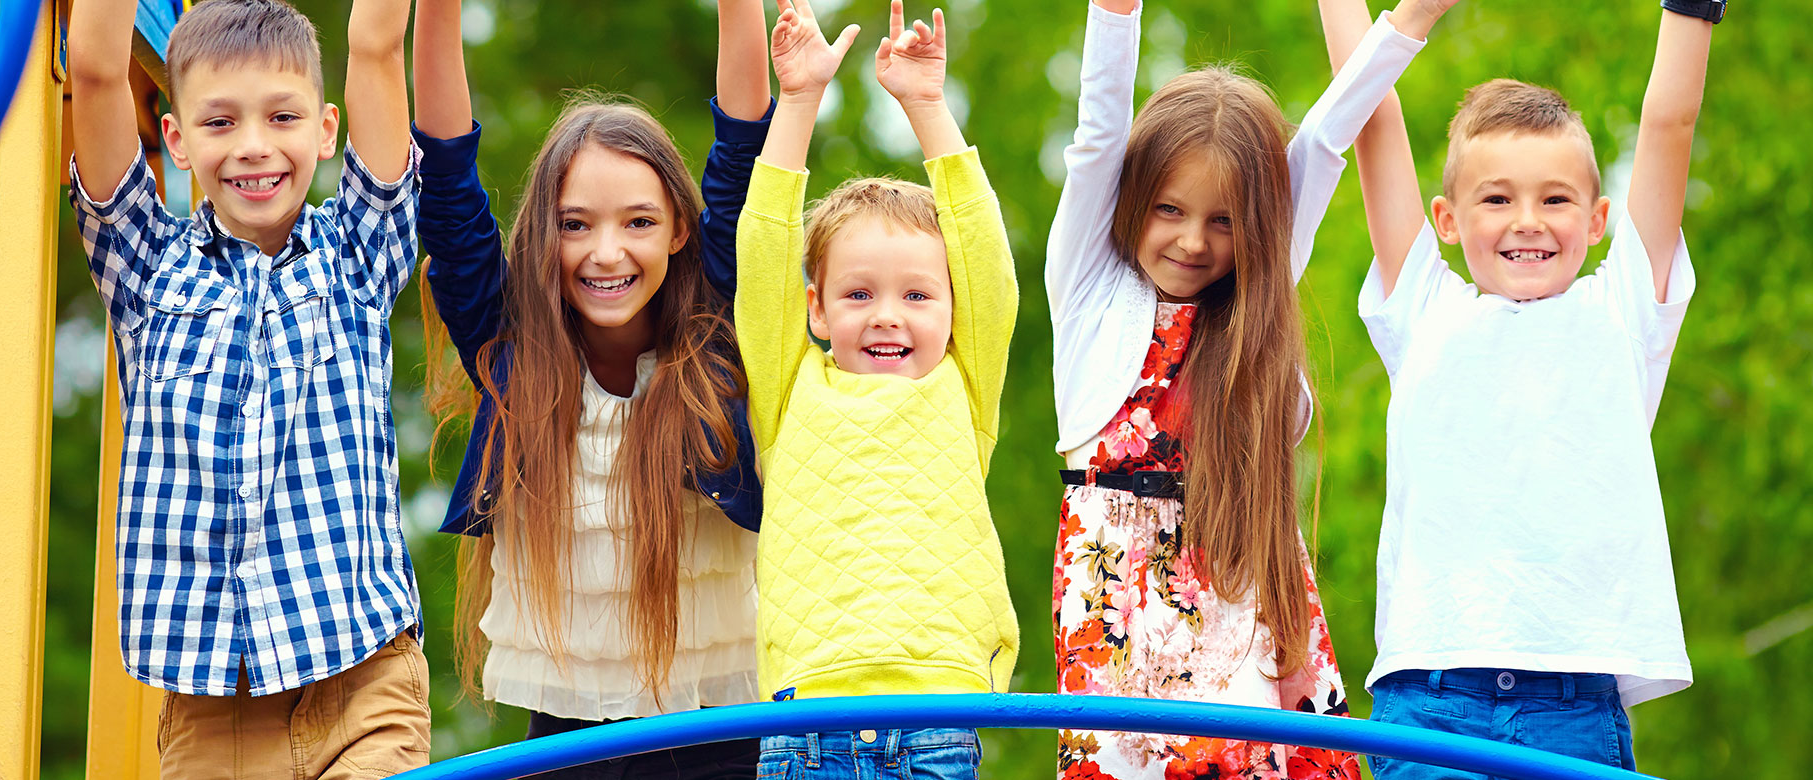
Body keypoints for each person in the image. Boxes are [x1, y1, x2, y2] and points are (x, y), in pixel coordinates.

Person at [1045, 1, 1452, 777]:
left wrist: (1412, 19)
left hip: (1248, 585)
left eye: (1224, 222)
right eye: (1170, 210)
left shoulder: (1255, 303)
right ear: (1135, 204)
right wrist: (1114, 13)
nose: (1194, 241)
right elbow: (1098, 139)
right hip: (1121, 609)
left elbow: (1327, 141)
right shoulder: (1089, 287)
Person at [1320, 0, 1718, 775]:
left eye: (1556, 199)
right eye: (1497, 198)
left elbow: (1669, 122)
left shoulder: (1625, 310)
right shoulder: (1424, 308)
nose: (1527, 220)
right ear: (1445, 217)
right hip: (1429, 697)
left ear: (1599, 218)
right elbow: (1370, 116)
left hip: (1572, 706)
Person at [411, 0, 772, 776]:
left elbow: (744, 153)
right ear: (545, 233)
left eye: (638, 222)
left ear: (679, 229)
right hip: (570, 737)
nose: (606, 252)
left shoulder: (717, 334)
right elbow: (444, 179)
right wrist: (439, 13)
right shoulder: (511, 348)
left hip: (724, 732)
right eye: (576, 224)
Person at [67, 0, 428, 775]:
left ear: (327, 130)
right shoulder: (147, 272)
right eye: (220, 123)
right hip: (213, 710)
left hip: (361, 682)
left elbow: (375, 45)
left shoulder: (357, 259)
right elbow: (95, 72)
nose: (255, 146)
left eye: (283, 117)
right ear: (177, 138)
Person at [736, 1, 1018, 777]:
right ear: (816, 311)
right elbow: (763, 258)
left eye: (917, 296)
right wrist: (796, 104)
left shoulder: (961, 387)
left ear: (956, 311)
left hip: (936, 716)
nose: (888, 315)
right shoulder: (790, 389)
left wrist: (927, 107)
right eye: (859, 295)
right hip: (806, 724)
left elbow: (987, 262)